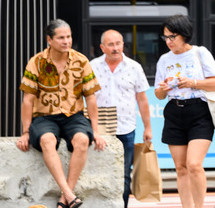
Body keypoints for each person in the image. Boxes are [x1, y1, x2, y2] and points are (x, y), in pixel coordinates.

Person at [16, 19, 107, 208]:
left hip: (74, 115)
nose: (66, 41)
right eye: (61, 38)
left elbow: (90, 98)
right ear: (49, 39)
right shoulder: (37, 62)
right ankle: (68, 194)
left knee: (83, 140)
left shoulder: (81, 60)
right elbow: (28, 99)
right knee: (47, 140)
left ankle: (65, 197)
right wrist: (25, 132)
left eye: (69, 37)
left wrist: (96, 130)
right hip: (44, 117)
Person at [154, 14, 215, 208]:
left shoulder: (200, 53)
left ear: (184, 34)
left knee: (193, 164)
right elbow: (158, 95)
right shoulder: (164, 60)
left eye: (172, 37)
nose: (168, 41)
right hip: (174, 111)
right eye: (165, 37)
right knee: (180, 168)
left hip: (199, 110)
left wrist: (192, 82)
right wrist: (163, 89)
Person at [89, 29, 153, 208]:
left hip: (126, 129)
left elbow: (142, 99)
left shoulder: (134, 67)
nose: (115, 48)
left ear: (123, 45)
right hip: (100, 130)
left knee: (124, 174)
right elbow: (85, 97)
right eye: (110, 44)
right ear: (102, 47)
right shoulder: (92, 66)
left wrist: (147, 127)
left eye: (118, 44)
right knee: (99, 173)